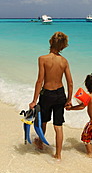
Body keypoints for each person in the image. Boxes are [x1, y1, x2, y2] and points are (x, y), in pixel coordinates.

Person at [29, 31, 73, 160]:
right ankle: (58, 155)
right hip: (60, 94)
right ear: (63, 46)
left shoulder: (43, 59)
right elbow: (70, 82)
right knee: (58, 126)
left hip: (47, 95)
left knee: (43, 121)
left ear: (50, 42)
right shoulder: (64, 61)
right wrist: (69, 99)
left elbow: (39, 81)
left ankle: (40, 144)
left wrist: (34, 101)